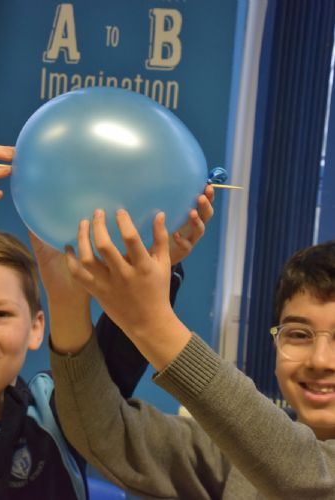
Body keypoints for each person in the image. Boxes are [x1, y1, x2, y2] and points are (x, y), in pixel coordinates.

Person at [0, 144, 213, 500]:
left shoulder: (60, 415)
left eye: (1, 314)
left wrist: (160, 258)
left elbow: (116, 355)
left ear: (36, 327)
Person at [38, 209, 335, 499]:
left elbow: (303, 481)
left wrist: (153, 323)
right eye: (299, 334)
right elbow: (104, 434)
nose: (319, 361)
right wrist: (66, 299)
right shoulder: (234, 455)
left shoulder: (277, 458)